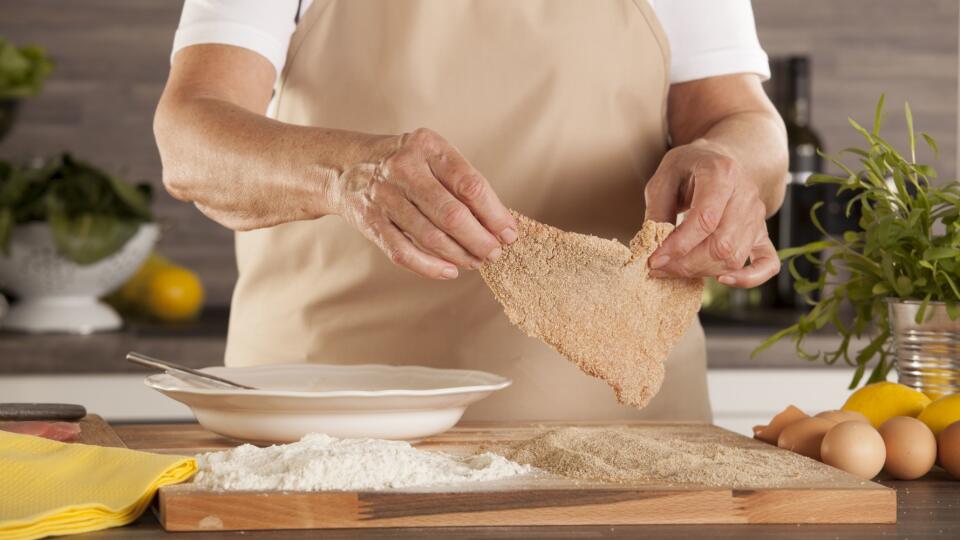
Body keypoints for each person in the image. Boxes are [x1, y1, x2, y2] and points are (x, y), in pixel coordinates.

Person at [154, 0, 787, 422]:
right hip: (330, 418)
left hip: (616, 428)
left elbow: (743, 120)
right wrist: (348, 173)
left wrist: (727, 165)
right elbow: (190, 136)